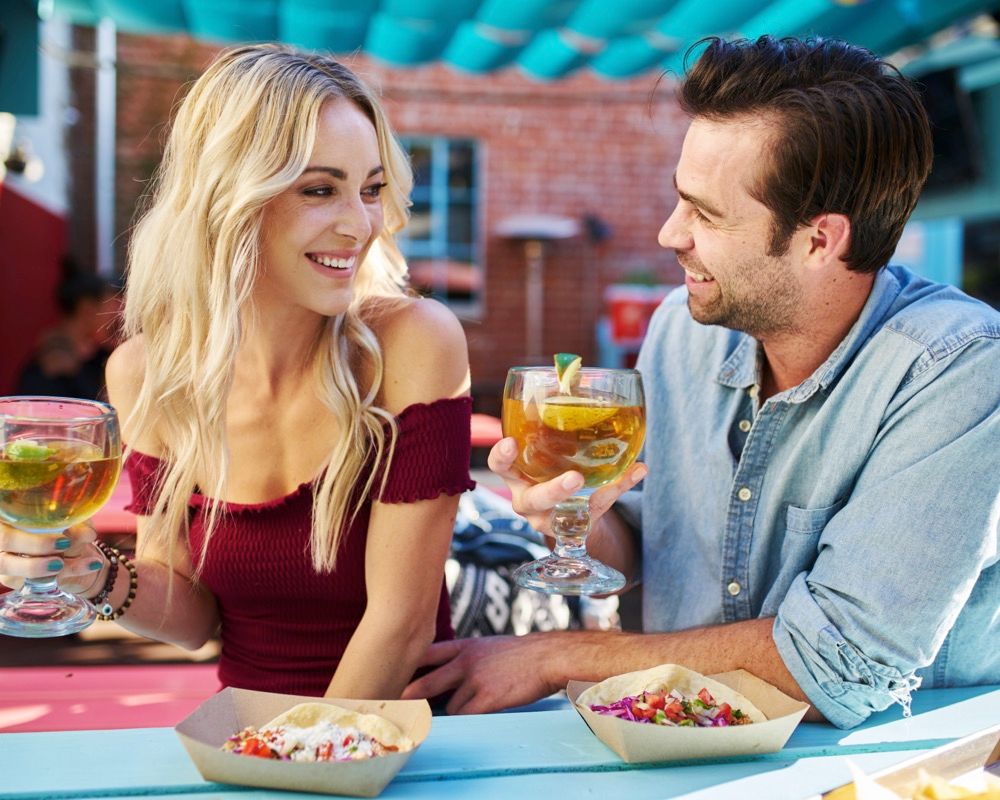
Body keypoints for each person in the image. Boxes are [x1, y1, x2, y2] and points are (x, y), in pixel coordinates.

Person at [403, 36, 1000, 728]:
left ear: (820, 240)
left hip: (880, 771)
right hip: (671, 753)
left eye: (706, 214)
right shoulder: (681, 331)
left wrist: (553, 655)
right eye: (678, 200)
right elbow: (652, 557)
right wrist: (577, 524)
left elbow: (841, 664)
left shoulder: (958, 369)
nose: (667, 233)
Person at [0, 43, 473, 700]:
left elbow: (401, 623)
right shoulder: (148, 372)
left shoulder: (415, 342)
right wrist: (93, 577)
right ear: (230, 200)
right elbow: (192, 620)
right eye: (319, 189)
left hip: (399, 746)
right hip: (248, 742)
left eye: (370, 190)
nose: (359, 223)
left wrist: (301, 758)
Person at [16, 258, 123, 401]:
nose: (119, 316)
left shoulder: (99, 358)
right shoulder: (48, 368)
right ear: (87, 309)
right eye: (112, 309)